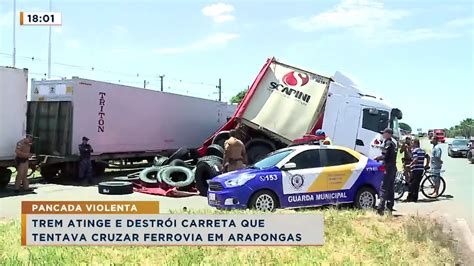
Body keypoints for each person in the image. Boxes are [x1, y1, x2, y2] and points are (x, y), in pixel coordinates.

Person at [374, 128, 397, 215]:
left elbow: (385, 155)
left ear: (389, 134)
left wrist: (377, 158)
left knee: (383, 188)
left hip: (388, 168)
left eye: (384, 133)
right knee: (390, 188)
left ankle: (380, 209)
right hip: (393, 168)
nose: (383, 135)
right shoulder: (393, 144)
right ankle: (389, 208)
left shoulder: (388, 143)